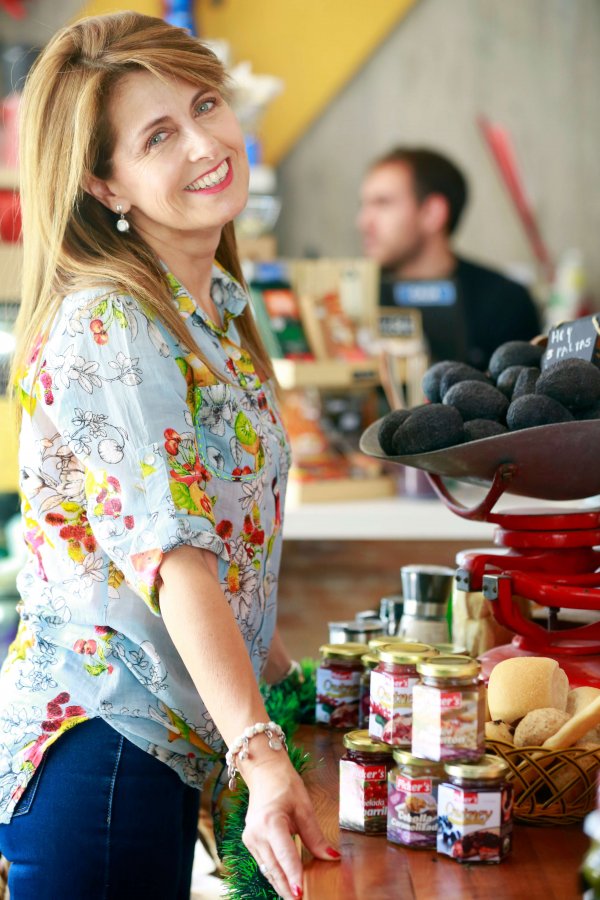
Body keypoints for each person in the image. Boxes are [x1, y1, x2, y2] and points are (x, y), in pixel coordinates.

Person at [0, 13, 339, 900]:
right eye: (159, 136)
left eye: (205, 105)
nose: (205, 143)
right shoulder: (111, 323)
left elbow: (222, 554)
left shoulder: (212, 309)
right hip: (104, 756)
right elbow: (175, 557)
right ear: (106, 185)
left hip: (157, 746)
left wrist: (290, 685)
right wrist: (259, 750)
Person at [357, 146, 542, 369]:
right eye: (364, 205)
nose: (363, 222)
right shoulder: (351, 301)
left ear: (432, 213)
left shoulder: (505, 301)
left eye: (382, 203)